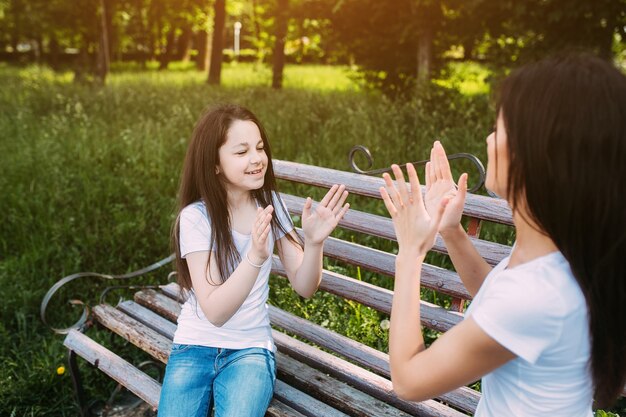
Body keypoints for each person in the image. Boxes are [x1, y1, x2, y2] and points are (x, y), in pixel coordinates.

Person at [379, 53, 625, 416]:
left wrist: (411, 252)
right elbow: (499, 305)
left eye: (501, 127)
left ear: (536, 155)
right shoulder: (563, 254)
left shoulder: (538, 294)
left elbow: (409, 380)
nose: (489, 138)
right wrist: (451, 231)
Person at [158, 104, 349, 417]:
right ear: (215, 164)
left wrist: (314, 243)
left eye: (260, 148)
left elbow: (305, 285)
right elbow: (216, 311)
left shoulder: (270, 205)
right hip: (194, 345)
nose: (257, 159)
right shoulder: (196, 218)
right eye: (242, 151)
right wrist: (255, 257)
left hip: (249, 349)